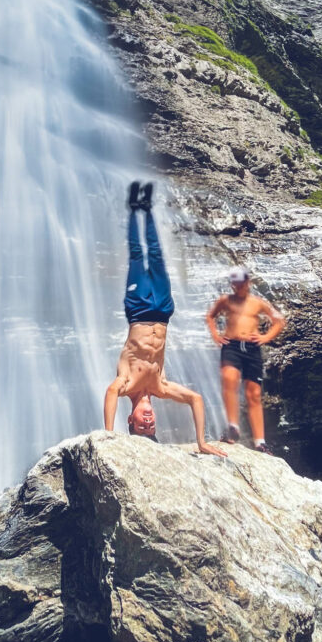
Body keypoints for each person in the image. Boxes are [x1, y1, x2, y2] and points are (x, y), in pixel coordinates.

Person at [104, 181, 225, 456]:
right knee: (157, 256)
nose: (148, 422)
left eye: (141, 426)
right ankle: (146, 209)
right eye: (151, 427)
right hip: (164, 311)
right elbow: (195, 399)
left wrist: (109, 436)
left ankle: (136, 209)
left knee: (138, 255)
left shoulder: (125, 384)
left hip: (138, 310)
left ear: (130, 421)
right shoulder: (161, 387)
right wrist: (202, 442)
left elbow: (110, 394)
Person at [206, 265, 285, 453]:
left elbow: (279, 320)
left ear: (248, 283)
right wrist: (216, 335)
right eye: (235, 284)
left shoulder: (257, 302)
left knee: (254, 394)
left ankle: (260, 442)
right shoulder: (225, 301)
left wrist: (266, 337)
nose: (238, 287)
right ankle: (233, 427)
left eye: (241, 283)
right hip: (232, 346)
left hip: (252, 348)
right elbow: (210, 316)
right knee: (229, 379)